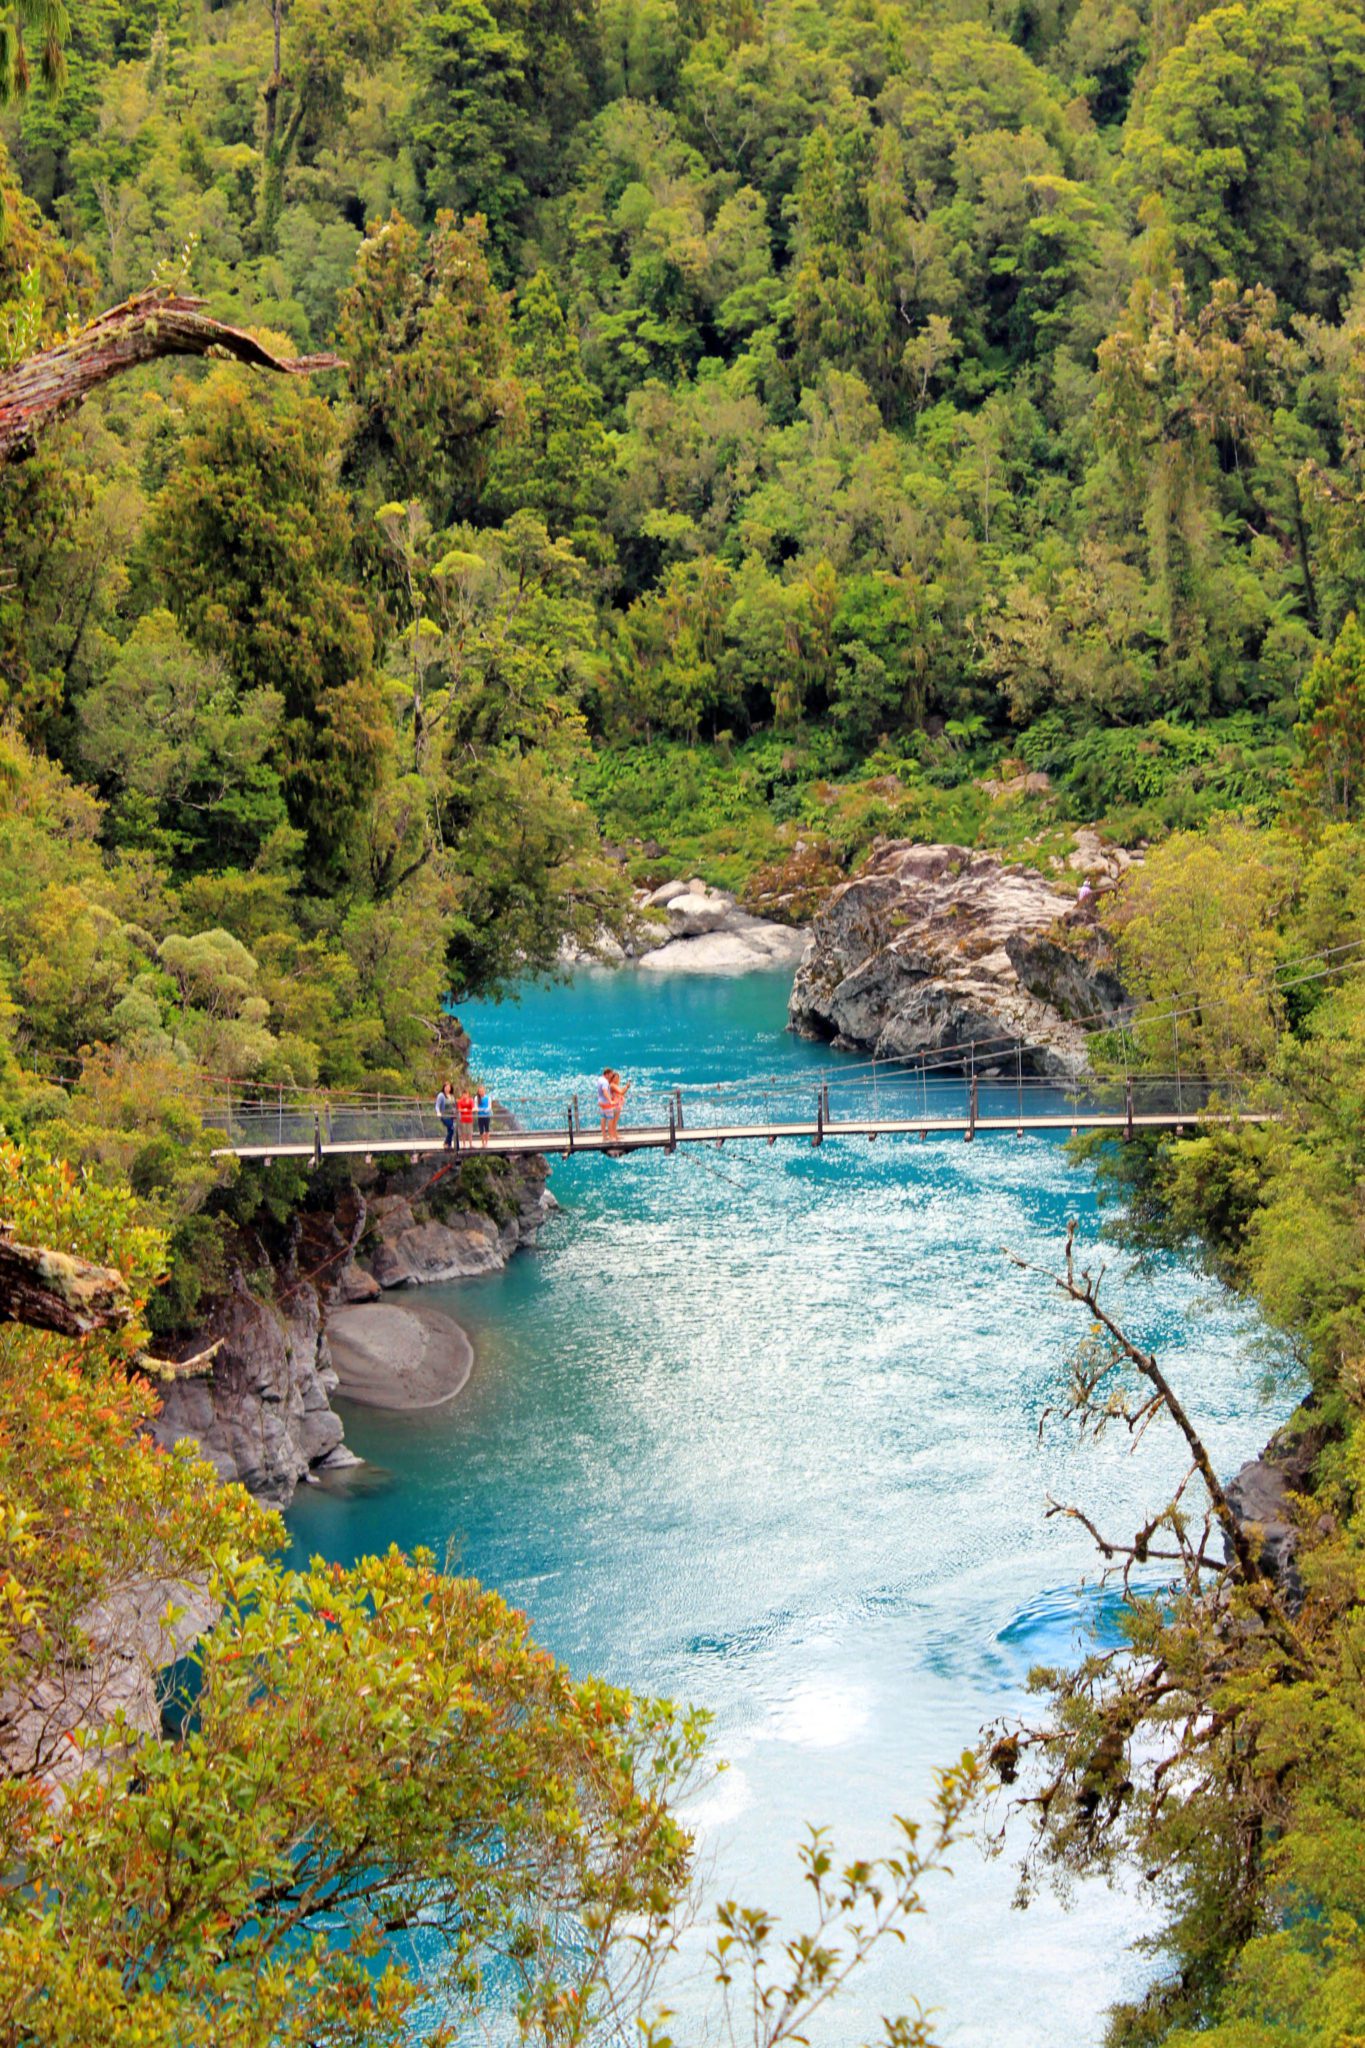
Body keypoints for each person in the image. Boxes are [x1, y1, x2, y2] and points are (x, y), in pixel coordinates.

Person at [606, 1068, 631, 1141]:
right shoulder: (612, 1085)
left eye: (618, 1078)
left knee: (615, 1121)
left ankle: (615, 1135)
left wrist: (626, 1088)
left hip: (618, 1105)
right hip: (614, 1105)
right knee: (613, 1121)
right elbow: (621, 1092)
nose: (616, 1079)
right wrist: (626, 1087)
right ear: (612, 1078)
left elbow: (621, 1092)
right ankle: (612, 1135)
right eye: (615, 1078)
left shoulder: (615, 1085)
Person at [435, 1079, 456, 1150]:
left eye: (449, 1087)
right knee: (452, 1128)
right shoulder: (441, 1095)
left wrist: (455, 1112)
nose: (447, 1089)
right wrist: (438, 1112)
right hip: (444, 1116)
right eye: (446, 1087)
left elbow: (454, 1105)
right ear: (444, 1088)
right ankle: (446, 1142)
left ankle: (448, 1145)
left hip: (451, 1116)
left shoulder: (452, 1096)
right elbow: (437, 1105)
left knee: (450, 1130)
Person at [596, 1068, 614, 1136]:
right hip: (606, 1102)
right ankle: (611, 1136)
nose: (611, 1076)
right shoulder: (605, 1082)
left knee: (603, 1118)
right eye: (611, 1075)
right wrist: (610, 1101)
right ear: (607, 1074)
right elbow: (605, 1091)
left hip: (600, 1101)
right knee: (610, 1118)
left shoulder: (600, 1079)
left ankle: (604, 1136)